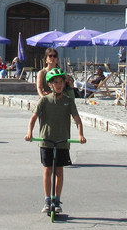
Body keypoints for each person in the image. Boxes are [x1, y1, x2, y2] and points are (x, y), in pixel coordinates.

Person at [25, 67, 86, 214]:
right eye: (55, 82)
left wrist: (80, 135)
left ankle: (57, 199)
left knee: (59, 170)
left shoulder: (69, 101)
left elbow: (77, 119)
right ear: (50, 84)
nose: (58, 85)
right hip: (46, 140)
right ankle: (47, 199)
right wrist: (29, 132)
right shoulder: (45, 101)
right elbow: (33, 118)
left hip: (62, 141)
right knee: (47, 170)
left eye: (61, 82)